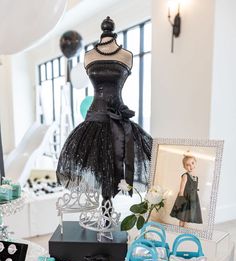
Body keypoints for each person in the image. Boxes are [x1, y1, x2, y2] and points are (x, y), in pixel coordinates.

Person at [56, 17, 152, 204]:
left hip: (119, 121)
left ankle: (108, 216)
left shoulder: (126, 55)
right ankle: (104, 218)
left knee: (117, 167)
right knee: (99, 168)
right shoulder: (89, 56)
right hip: (94, 122)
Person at [170, 154, 203, 227]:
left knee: (188, 215)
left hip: (193, 198)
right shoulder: (185, 176)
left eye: (192, 163)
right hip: (185, 198)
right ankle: (180, 227)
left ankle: (184, 228)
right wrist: (181, 200)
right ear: (184, 167)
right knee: (183, 215)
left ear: (195, 163)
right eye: (187, 165)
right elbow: (181, 189)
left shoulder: (195, 177)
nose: (190, 166)